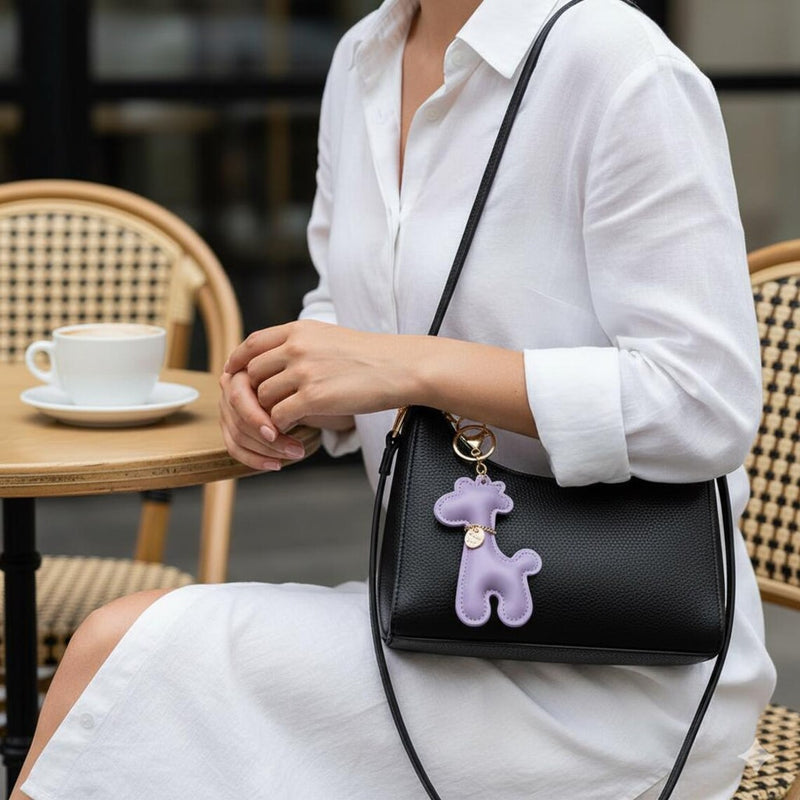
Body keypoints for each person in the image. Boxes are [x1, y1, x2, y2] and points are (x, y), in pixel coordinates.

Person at [14, 0, 776, 798]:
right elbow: (352, 303)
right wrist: (294, 385)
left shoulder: (619, 64)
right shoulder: (362, 60)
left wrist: (409, 367)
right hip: (441, 617)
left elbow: (703, 402)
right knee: (130, 686)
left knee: (121, 655)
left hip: (626, 667)